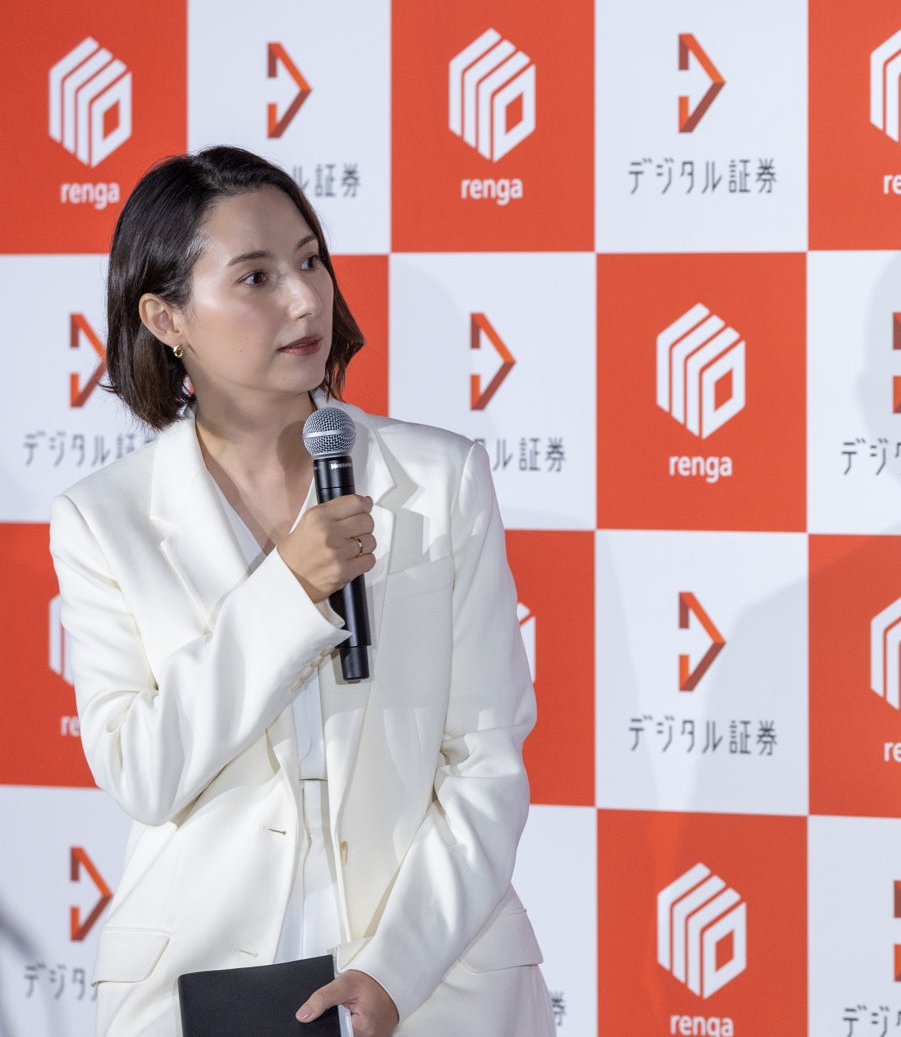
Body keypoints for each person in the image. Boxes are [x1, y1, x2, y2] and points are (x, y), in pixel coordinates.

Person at [49, 146, 557, 1037]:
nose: (304, 298)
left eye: (310, 260)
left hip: (431, 971)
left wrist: (393, 967)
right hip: (210, 977)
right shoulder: (105, 519)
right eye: (256, 276)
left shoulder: (441, 478)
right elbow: (142, 769)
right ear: (167, 317)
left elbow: (485, 755)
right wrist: (289, 588)